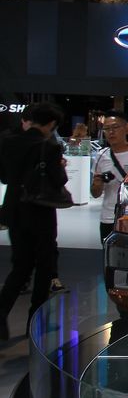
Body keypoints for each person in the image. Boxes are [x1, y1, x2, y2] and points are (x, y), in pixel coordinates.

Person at [0, 103, 66, 340]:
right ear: (51, 124)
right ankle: (35, 321)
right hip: (40, 211)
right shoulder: (49, 147)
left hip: (14, 210)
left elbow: (4, 177)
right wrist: (60, 167)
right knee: (44, 266)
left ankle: (1, 315)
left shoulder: (8, 142)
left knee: (20, 266)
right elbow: (58, 180)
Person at [91, 111, 128, 242]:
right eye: (107, 128)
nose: (111, 132)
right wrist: (97, 184)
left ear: (126, 129)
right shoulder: (101, 156)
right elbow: (95, 194)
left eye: (115, 127)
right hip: (108, 217)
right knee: (107, 252)